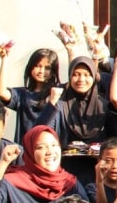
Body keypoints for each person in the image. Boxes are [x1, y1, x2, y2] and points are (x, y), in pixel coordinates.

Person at [38, 55, 108, 186]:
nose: (81, 79)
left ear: (94, 77)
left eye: (86, 75)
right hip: (65, 171)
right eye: (76, 74)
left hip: (96, 172)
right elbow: (41, 131)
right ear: (69, 77)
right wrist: (52, 102)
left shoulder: (103, 106)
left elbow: (113, 139)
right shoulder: (60, 104)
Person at [0, 46, 59, 143]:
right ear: (30, 67)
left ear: (53, 71)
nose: (41, 71)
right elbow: (1, 92)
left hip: (50, 149)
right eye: (38, 66)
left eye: (47, 68)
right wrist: (4, 59)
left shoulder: (57, 93)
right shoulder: (22, 94)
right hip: (25, 150)